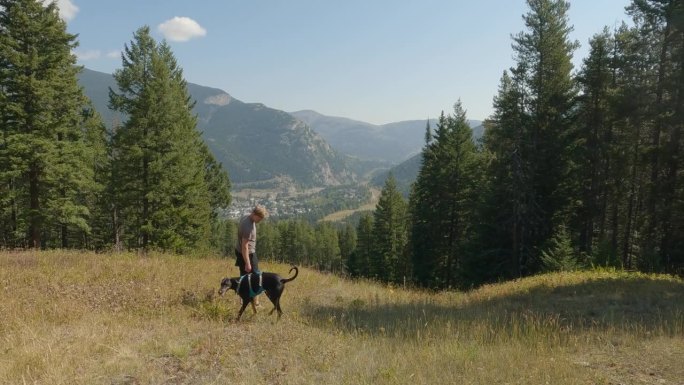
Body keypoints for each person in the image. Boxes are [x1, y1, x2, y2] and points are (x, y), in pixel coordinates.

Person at [235, 205, 268, 304]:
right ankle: (255, 302)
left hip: (240, 251)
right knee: (257, 277)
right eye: (260, 218)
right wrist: (248, 263)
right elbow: (245, 246)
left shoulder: (246, 217)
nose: (260, 221)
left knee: (243, 276)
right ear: (254, 214)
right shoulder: (248, 226)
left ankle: (242, 299)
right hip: (247, 253)